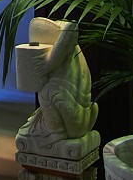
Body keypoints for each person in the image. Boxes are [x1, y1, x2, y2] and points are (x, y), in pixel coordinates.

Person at [16, 17, 98, 145]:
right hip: (84, 116)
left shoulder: (63, 49)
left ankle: (56, 134)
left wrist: (47, 65)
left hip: (72, 124)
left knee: (46, 92)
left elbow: (71, 28)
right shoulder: (74, 52)